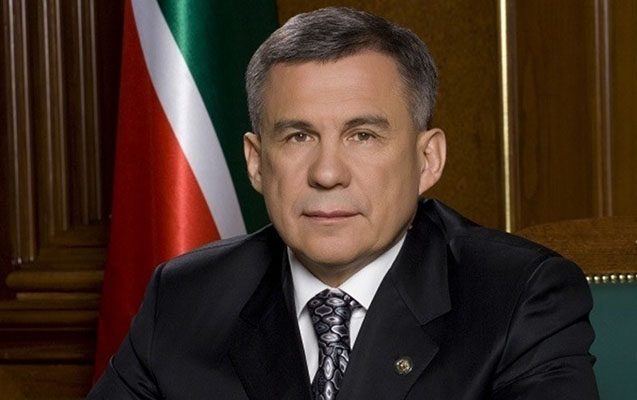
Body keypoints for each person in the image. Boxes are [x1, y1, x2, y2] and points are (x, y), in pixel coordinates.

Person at [88, 7, 598, 399]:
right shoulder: (183, 299)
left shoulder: (519, 297)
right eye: (298, 136)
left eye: (363, 135)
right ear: (256, 163)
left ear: (428, 160)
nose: (327, 173)